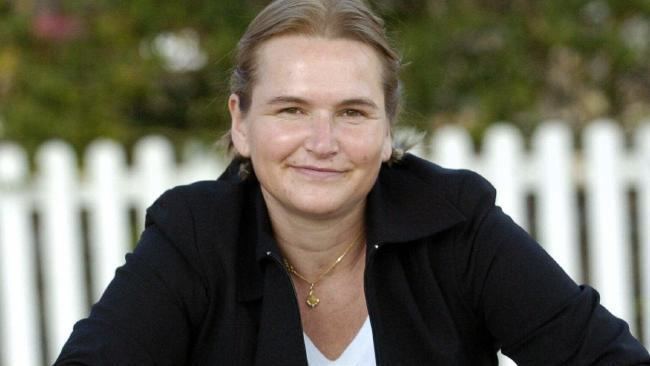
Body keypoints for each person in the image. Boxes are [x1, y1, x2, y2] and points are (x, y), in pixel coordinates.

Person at [55, 0, 650, 364]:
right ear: (240, 123)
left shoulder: (456, 222)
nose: (322, 142)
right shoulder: (194, 235)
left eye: (353, 112)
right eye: (291, 110)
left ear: (388, 129)